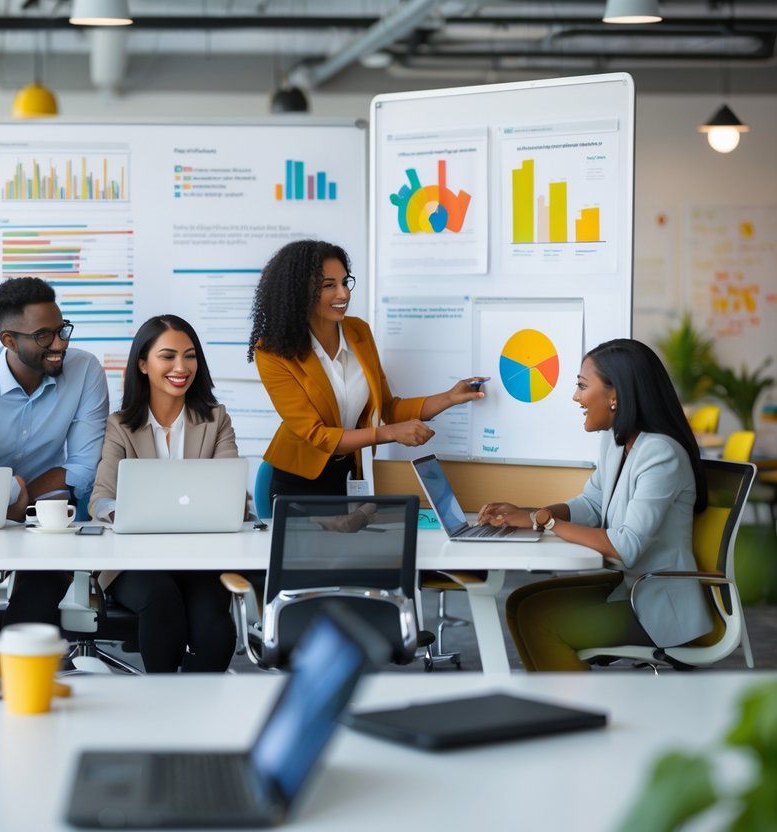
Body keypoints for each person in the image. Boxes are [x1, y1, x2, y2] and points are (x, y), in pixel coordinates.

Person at [477, 338, 714, 671]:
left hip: (657, 605)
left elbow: (625, 547)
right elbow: (591, 503)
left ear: (614, 394)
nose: (576, 397)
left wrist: (546, 522)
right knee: (522, 602)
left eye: (582, 386)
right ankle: (558, 708)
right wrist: (530, 515)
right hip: (628, 586)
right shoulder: (618, 441)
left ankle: (576, 714)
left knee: (541, 621)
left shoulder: (661, 453)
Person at [247, 239, 484, 500]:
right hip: (298, 483)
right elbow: (318, 435)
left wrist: (450, 397)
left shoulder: (357, 331)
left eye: (345, 282)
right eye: (329, 285)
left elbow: (389, 409)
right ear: (299, 292)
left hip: (351, 472)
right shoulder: (273, 351)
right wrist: (389, 434)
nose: (344, 294)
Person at [0, 276, 109, 629]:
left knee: (40, 591)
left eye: (62, 330)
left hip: (47, 516)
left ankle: (19, 670)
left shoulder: (85, 370)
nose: (59, 342)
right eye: (44, 335)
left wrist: (22, 493)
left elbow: (84, 466)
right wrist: (9, 496)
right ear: (9, 340)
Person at [89, 315, 237, 673]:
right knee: (161, 599)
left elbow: (234, 496)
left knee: (214, 625)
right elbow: (101, 499)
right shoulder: (121, 425)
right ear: (143, 364)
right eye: (168, 356)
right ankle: (163, 698)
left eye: (190, 356)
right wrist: (125, 513)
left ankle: (201, 708)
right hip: (136, 560)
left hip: (199, 557)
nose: (181, 367)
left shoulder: (215, 419)